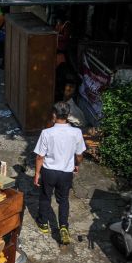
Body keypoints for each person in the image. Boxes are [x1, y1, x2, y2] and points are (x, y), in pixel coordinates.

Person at [33, 102, 86, 245]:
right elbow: (79, 154)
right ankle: (63, 226)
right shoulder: (76, 132)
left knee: (45, 197)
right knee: (63, 200)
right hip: (65, 173)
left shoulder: (47, 132)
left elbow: (40, 157)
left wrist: (37, 173)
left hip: (49, 171)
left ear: (54, 115)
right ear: (68, 115)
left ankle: (44, 224)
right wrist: (76, 164)